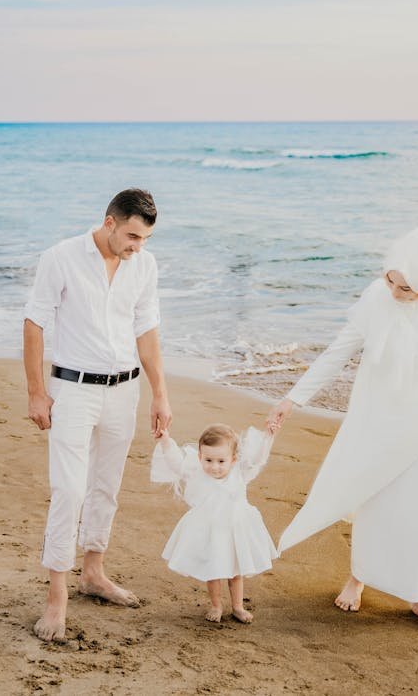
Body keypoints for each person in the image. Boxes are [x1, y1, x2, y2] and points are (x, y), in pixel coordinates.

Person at [267, 227, 418, 634]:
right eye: (391, 279)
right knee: (374, 495)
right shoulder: (375, 299)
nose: (396, 292)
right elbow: (337, 354)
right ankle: (359, 576)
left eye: (408, 288)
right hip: (381, 414)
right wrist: (291, 400)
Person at [23, 188, 172, 642]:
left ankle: (93, 572)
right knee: (69, 488)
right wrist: (36, 393)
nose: (137, 247)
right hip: (71, 389)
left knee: (106, 487)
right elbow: (34, 322)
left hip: (123, 390)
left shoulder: (143, 265)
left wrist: (160, 394)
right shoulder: (60, 258)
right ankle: (56, 596)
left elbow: (146, 329)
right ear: (109, 222)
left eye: (144, 239)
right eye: (131, 236)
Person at [151, 423, 277, 624]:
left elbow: (257, 460)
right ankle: (216, 605)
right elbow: (176, 463)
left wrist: (268, 438)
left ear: (233, 460)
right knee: (213, 570)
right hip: (209, 531)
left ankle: (237, 606)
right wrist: (166, 441)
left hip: (235, 530)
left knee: (236, 572)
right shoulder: (196, 471)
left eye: (221, 461)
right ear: (200, 457)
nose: (214, 466)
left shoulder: (240, 472)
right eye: (208, 460)